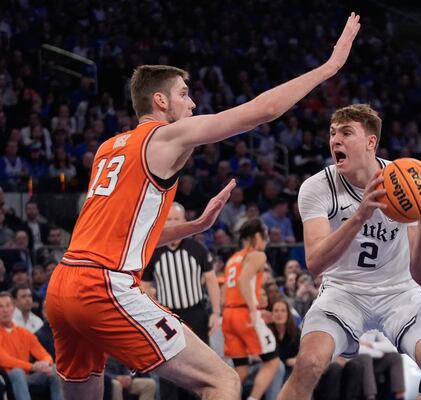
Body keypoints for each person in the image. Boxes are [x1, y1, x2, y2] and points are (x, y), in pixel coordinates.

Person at [45, 12, 361, 400]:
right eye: (183, 94)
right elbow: (260, 111)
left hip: (63, 284)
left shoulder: (108, 148)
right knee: (223, 382)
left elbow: (125, 235)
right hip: (102, 286)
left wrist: (193, 226)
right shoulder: (164, 137)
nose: (192, 103)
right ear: (159, 100)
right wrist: (328, 68)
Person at [277, 104, 421, 400]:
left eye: (346, 133)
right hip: (343, 291)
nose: (335, 140)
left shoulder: (406, 181)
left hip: (401, 291)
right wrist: (359, 216)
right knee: (308, 363)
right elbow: (314, 263)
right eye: (332, 133)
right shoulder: (317, 187)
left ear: (370, 142)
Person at [142, 201, 221, 400]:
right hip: (168, 317)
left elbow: (211, 280)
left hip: (196, 313)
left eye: (176, 219)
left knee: (200, 369)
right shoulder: (153, 251)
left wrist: (216, 313)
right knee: (169, 371)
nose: (172, 223)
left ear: (185, 221)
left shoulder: (197, 249)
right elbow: (144, 286)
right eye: (168, 219)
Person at [222, 218, 280, 400]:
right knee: (272, 361)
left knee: (241, 369)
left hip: (228, 314)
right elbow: (244, 280)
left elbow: (226, 291)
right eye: (265, 238)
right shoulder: (257, 255)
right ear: (257, 236)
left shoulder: (233, 259)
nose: (266, 243)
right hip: (244, 315)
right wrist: (254, 310)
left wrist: (254, 300)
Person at [0, 291, 62, 400]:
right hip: (7, 377)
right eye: (0, 306)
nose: (5, 310)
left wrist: (45, 363)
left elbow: (45, 355)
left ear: (13, 308)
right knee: (17, 372)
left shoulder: (24, 333)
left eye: (8, 305)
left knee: (55, 368)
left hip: (29, 376)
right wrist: (32, 366)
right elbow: (4, 360)